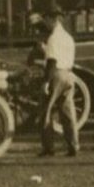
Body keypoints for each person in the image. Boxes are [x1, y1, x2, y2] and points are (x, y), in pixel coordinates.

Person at [35, 11, 80, 157]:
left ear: (52, 19)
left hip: (56, 74)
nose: (45, 23)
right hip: (68, 74)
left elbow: (52, 61)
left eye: (46, 19)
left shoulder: (53, 38)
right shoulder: (68, 37)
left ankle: (48, 148)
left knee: (45, 111)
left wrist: (46, 82)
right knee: (68, 113)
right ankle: (74, 145)